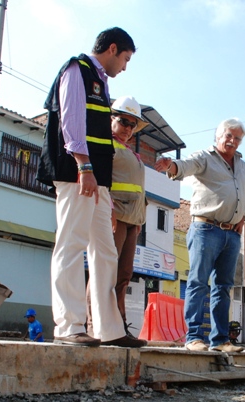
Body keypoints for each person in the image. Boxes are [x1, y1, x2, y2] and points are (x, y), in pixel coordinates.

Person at [36, 27, 146, 348]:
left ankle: (108, 329)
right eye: (125, 58)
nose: (125, 66)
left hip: (98, 183)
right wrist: (83, 166)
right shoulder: (77, 70)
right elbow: (71, 122)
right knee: (71, 244)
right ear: (112, 49)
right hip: (77, 174)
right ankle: (69, 326)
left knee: (106, 252)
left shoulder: (100, 81)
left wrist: (106, 199)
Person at [155, 118, 245, 353]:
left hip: (232, 235)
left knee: (223, 287)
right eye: (228, 135)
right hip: (206, 229)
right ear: (218, 135)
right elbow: (184, 166)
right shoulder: (204, 157)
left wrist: (243, 217)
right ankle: (194, 338)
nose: (232, 141)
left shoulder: (242, 166)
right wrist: (170, 165)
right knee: (198, 282)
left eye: (237, 138)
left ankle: (220, 341)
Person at [87, 96, 148, 338]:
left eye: (132, 125)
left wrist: (140, 219)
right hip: (114, 216)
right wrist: (109, 210)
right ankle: (94, 325)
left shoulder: (129, 152)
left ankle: (118, 327)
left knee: (123, 276)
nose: (128, 129)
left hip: (132, 220)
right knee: (105, 272)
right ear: (111, 119)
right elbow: (101, 181)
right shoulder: (106, 146)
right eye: (124, 121)